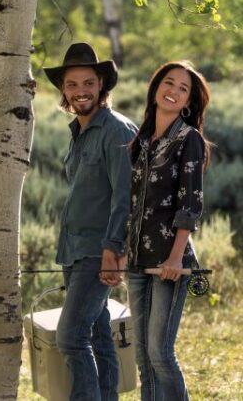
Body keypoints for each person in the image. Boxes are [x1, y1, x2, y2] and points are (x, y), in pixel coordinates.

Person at [43, 42, 137, 401]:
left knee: (71, 337)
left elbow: (126, 197)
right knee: (97, 335)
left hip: (100, 251)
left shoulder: (116, 130)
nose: (80, 91)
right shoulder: (79, 130)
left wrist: (114, 250)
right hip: (75, 249)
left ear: (101, 85)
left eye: (87, 83)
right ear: (64, 90)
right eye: (71, 84)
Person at [127, 60, 211, 401]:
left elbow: (189, 205)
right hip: (137, 261)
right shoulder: (141, 139)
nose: (173, 91)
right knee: (142, 358)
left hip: (170, 265)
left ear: (189, 101)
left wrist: (176, 258)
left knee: (161, 354)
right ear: (156, 87)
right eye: (168, 82)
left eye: (182, 88)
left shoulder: (189, 139)